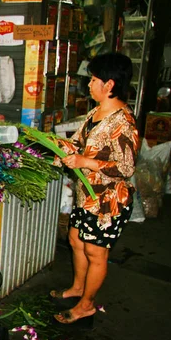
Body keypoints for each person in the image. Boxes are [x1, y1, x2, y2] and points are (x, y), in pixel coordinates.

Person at [50, 52, 139, 325]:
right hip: (87, 195)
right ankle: (78, 288)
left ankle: (86, 305)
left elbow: (126, 167)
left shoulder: (123, 121)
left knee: (95, 252)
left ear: (109, 85)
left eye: (93, 79)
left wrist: (85, 161)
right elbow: (77, 143)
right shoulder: (95, 112)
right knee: (76, 240)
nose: (89, 85)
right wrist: (58, 149)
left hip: (108, 202)